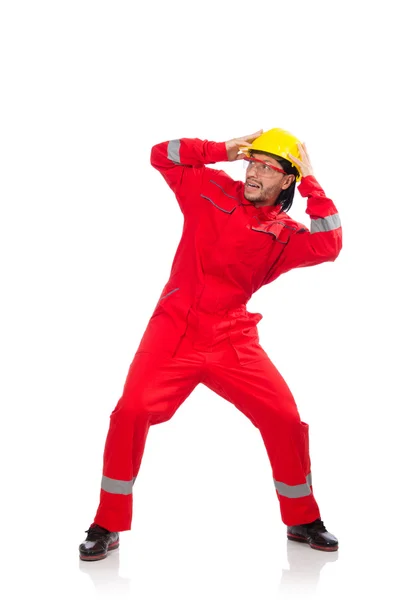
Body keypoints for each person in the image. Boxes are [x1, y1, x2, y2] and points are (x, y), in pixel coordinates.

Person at [79, 128, 342, 561]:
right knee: (131, 412)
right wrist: (221, 150)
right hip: (173, 330)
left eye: (267, 166)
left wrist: (313, 181)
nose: (254, 170)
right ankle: (106, 524)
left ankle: (302, 518)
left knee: (284, 417)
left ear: (287, 180)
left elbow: (330, 243)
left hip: (231, 337)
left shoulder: (285, 234)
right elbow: (161, 155)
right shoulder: (211, 188)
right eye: (252, 162)